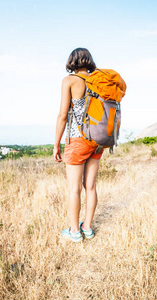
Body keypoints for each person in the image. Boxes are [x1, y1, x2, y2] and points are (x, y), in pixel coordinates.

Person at [53, 48, 103, 242]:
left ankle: (75, 231)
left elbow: (63, 115)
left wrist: (56, 144)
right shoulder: (97, 81)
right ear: (88, 61)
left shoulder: (69, 81)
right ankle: (88, 228)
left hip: (77, 139)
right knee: (90, 187)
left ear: (72, 61)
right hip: (97, 140)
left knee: (75, 189)